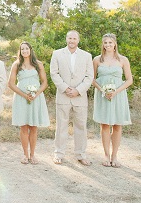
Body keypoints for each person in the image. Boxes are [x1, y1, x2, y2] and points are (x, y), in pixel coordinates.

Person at [50, 30, 94, 166]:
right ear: (66, 39)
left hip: (79, 97)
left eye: (74, 38)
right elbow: (54, 73)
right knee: (61, 126)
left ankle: (81, 154)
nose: (72, 41)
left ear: (78, 40)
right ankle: (59, 153)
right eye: (69, 38)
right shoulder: (57, 54)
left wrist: (78, 90)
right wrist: (66, 88)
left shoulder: (86, 56)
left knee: (81, 126)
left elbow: (89, 76)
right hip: (63, 95)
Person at [92, 33, 133, 168]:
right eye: (105, 43)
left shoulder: (123, 60)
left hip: (118, 95)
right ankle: (106, 155)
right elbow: (91, 79)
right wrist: (102, 90)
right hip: (103, 95)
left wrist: (116, 92)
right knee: (104, 125)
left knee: (117, 125)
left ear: (115, 44)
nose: (108, 45)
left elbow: (129, 80)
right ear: (102, 45)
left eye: (110, 42)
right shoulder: (97, 60)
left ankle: (115, 155)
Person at [8, 42, 50, 165]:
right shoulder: (16, 65)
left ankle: (33, 155)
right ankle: (25, 155)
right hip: (22, 98)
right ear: (20, 51)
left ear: (30, 50)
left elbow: (44, 83)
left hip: (35, 98)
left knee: (33, 127)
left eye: (27, 48)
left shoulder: (38, 64)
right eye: (22, 49)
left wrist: (36, 94)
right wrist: (24, 95)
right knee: (24, 126)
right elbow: (10, 83)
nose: (25, 51)